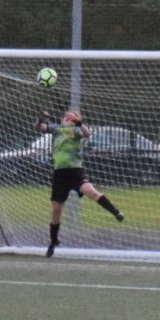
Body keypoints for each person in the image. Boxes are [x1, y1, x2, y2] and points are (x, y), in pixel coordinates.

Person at [36, 110, 124, 258]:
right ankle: (53, 242)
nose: (66, 119)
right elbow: (40, 127)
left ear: (75, 121)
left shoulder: (76, 131)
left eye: (70, 118)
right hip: (59, 175)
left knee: (91, 192)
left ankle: (116, 212)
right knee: (56, 212)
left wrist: (80, 123)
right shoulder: (57, 129)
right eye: (65, 117)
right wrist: (40, 120)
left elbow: (87, 134)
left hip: (76, 172)